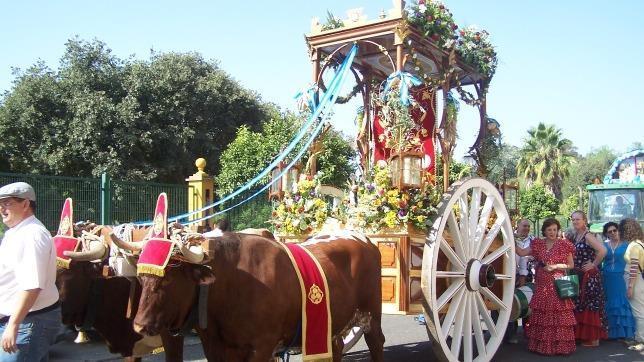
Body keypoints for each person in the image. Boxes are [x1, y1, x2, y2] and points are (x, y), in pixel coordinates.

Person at [0, 182, 60, 361]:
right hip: (20, 320)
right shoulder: (15, 232)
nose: (2, 208)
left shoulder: (32, 235)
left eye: (7, 203)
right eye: (0, 204)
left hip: (29, 322)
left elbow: (32, 286)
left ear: (25, 204)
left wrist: (14, 325)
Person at [516, 218, 576, 355]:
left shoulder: (564, 244)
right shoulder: (538, 244)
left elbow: (571, 265)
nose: (552, 232)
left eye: (555, 229)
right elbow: (521, 253)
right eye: (549, 230)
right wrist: (507, 239)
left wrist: (555, 266)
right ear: (544, 230)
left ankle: (560, 347)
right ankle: (542, 347)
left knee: (559, 314)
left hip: (557, 282)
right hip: (542, 282)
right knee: (542, 311)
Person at [570, 210, 608, 346]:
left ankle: (593, 339)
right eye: (573, 219)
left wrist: (593, 264)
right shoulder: (577, 236)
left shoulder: (587, 236)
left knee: (589, 305)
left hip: (589, 276)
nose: (575, 222)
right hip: (579, 275)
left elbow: (603, 251)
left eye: (578, 219)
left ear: (584, 221)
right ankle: (585, 336)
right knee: (582, 304)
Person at [600, 222, 635, 340]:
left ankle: (623, 332)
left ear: (619, 230)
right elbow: (599, 260)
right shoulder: (604, 246)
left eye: (615, 230)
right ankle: (609, 332)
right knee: (609, 302)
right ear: (606, 234)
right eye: (610, 232)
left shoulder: (627, 245)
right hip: (607, 277)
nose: (613, 233)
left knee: (620, 302)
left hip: (620, 277)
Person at [506, 219, 534, 344]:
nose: (526, 228)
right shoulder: (508, 237)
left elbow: (523, 258)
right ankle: (509, 333)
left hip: (525, 274)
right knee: (509, 304)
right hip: (508, 274)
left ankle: (527, 332)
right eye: (524, 226)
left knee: (526, 302)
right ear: (518, 226)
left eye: (528, 226)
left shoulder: (533, 240)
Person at [621, 218, 644, 351]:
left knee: (638, 312)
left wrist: (630, 286)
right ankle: (638, 337)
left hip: (635, 280)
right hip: (639, 279)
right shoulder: (640, 244)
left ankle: (640, 340)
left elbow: (634, 267)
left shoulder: (634, 246)